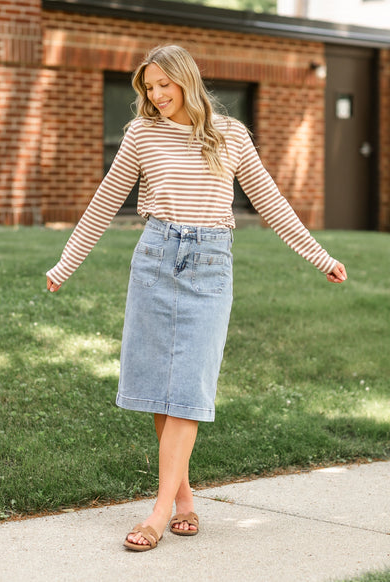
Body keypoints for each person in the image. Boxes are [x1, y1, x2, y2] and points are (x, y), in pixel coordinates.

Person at [46, 44, 347, 551]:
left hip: (210, 265)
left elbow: (270, 201)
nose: (157, 95)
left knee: (187, 385)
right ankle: (183, 500)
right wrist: (66, 263)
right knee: (160, 386)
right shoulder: (142, 134)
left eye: (165, 84)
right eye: (148, 87)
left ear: (188, 80)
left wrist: (319, 256)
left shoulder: (231, 135)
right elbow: (104, 201)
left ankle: (158, 512)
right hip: (156, 258)